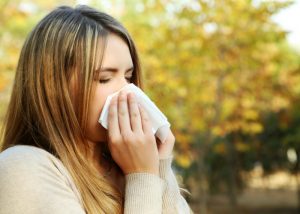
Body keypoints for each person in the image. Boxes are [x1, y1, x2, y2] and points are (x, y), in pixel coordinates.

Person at [0, 5, 193, 214]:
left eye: (128, 77)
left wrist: (159, 164)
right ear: (53, 87)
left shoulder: (126, 165)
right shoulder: (22, 167)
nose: (127, 92)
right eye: (105, 79)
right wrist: (143, 178)